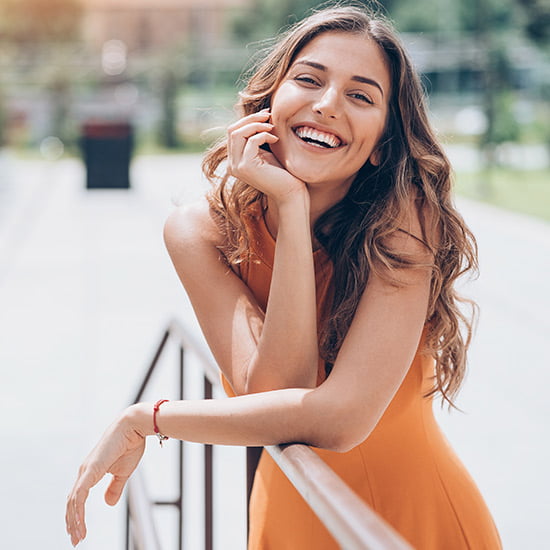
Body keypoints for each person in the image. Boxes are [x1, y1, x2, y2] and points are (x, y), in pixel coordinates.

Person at [66, 4, 502, 549]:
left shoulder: (404, 221)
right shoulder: (200, 233)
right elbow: (279, 392)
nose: (326, 106)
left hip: (409, 525)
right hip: (288, 520)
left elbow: (338, 421)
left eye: (360, 96)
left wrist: (150, 418)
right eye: (309, 79)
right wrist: (291, 210)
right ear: (269, 98)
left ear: (382, 146)